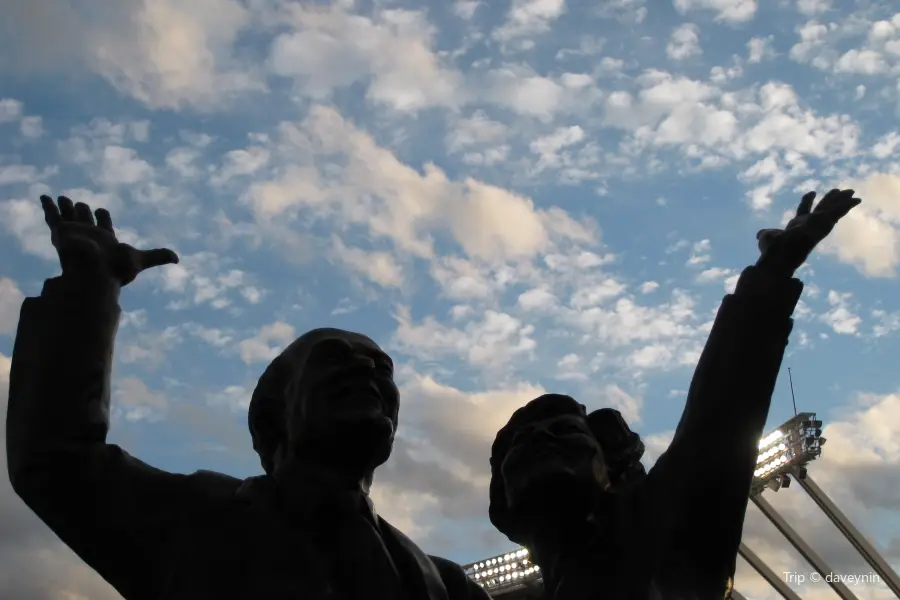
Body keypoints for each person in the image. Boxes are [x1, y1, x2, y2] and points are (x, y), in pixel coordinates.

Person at [7, 195, 492, 600]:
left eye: (381, 367)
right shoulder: (193, 519)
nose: (366, 368)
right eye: (333, 358)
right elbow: (58, 460)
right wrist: (91, 285)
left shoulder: (449, 587)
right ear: (271, 415)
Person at [487, 190, 862, 600]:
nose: (539, 440)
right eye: (520, 443)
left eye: (563, 431)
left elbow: (723, 404)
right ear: (503, 500)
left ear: (615, 467)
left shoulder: (664, 526)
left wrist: (771, 273)